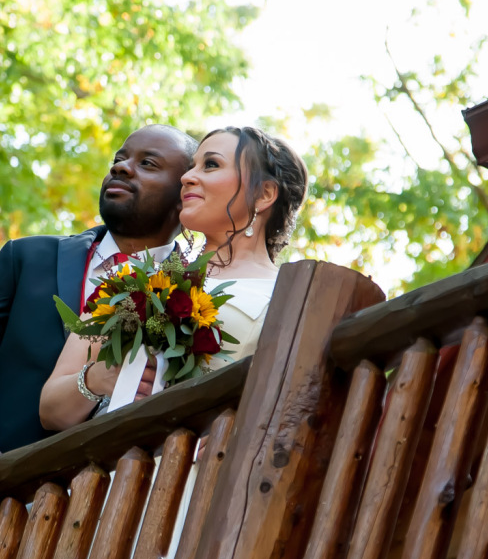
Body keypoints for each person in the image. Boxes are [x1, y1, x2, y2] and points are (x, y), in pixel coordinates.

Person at [0, 124, 198, 479]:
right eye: (119, 159)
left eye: (147, 164)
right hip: (1, 494)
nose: (120, 167)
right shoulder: (27, 259)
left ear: (185, 196)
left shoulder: (200, 295)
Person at [39, 125, 309, 430]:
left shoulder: (292, 296)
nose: (187, 177)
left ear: (264, 193)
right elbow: (50, 411)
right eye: (192, 166)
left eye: (210, 164)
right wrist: (97, 378)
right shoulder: (134, 278)